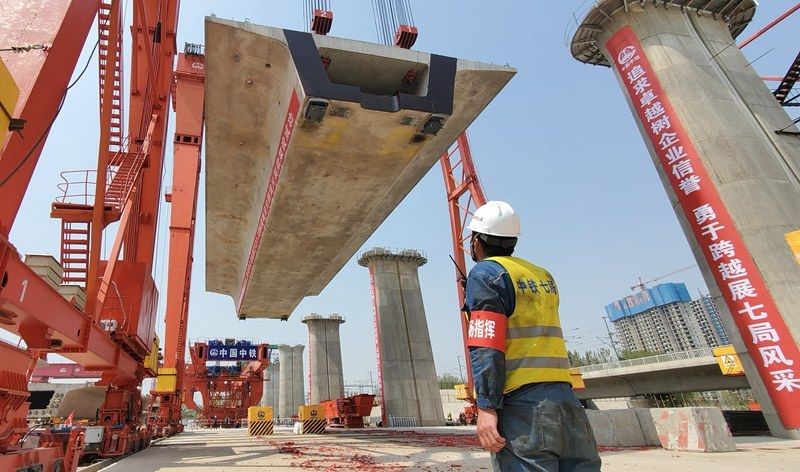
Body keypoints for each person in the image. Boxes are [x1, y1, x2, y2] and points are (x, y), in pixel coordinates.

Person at [464, 201, 601, 471]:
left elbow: (486, 346)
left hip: (523, 406)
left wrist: (486, 408)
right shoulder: (542, 275)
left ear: (477, 242)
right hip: (566, 399)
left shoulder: (485, 274)